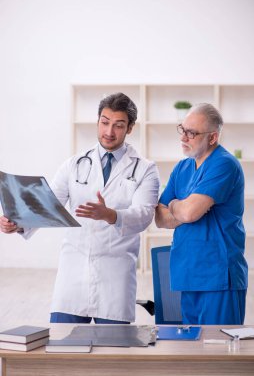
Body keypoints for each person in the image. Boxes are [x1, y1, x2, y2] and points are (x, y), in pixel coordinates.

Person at [0, 92, 160, 324]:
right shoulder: (74, 164)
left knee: (112, 351)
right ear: (97, 121)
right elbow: (48, 203)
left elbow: (144, 214)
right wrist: (17, 222)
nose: (109, 131)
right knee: (65, 349)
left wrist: (111, 215)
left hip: (115, 273)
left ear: (130, 128)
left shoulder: (145, 169)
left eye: (118, 125)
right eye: (105, 123)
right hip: (74, 271)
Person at [155, 103, 248, 325]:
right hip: (187, 273)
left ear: (213, 137)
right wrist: (185, 208)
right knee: (192, 354)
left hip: (218, 277)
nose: (183, 137)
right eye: (182, 129)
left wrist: (176, 204)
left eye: (192, 133)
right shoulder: (182, 168)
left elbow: (189, 213)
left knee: (219, 353)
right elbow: (160, 217)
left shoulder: (224, 164)